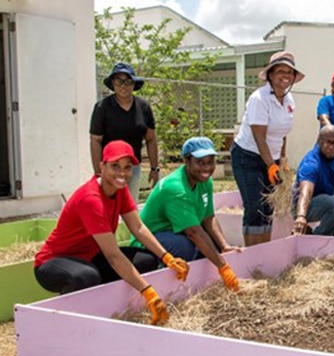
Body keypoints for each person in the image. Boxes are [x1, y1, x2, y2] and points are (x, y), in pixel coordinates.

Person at [34, 141, 188, 325]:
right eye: (115, 166)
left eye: (127, 167)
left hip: (89, 256)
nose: (122, 173)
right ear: (102, 166)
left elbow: (138, 227)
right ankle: (67, 322)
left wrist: (166, 257)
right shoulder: (91, 199)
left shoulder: (119, 190)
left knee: (146, 260)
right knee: (87, 277)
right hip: (54, 262)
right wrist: (148, 292)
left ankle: (110, 307)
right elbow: (113, 256)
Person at [132, 137, 241, 292]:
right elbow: (194, 232)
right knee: (188, 248)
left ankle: (199, 279)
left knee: (212, 246)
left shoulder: (204, 181)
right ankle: (164, 279)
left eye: (210, 162)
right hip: (151, 238)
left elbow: (208, 217)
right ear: (187, 161)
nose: (206, 168)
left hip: (179, 231)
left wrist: (224, 246)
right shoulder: (175, 188)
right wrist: (223, 266)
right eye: (200, 162)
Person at [231, 51, 305, 246]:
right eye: (280, 71)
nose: (285, 76)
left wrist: (282, 160)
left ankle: (264, 250)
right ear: (270, 74)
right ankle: (252, 254)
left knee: (268, 207)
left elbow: (282, 133)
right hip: (248, 156)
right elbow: (259, 137)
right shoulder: (259, 98)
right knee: (255, 206)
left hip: (270, 158)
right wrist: (271, 165)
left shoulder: (289, 101)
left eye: (289, 72)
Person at [90, 62, 160, 203]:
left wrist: (154, 168)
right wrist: (99, 171)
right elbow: (95, 140)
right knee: (108, 205)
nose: (123, 86)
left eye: (128, 81)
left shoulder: (143, 107)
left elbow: (151, 139)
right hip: (110, 167)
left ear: (134, 84)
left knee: (129, 205)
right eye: (119, 81)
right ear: (113, 84)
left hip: (132, 167)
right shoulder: (102, 107)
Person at [292, 125, 334, 236]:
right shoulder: (311, 163)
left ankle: (322, 235)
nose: (331, 147)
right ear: (319, 141)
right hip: (304, 206)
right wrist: (301, 216)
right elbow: (306, 191)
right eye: (328, 142)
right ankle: (320, 237)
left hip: (327, 201)